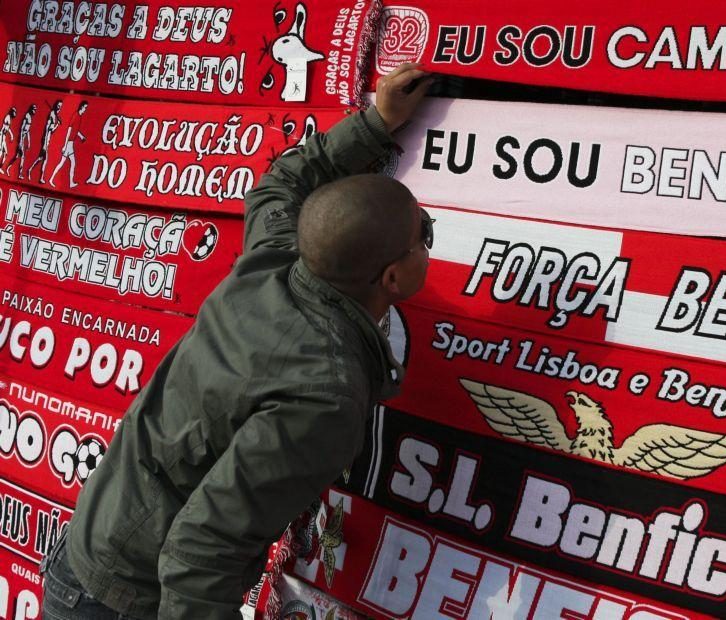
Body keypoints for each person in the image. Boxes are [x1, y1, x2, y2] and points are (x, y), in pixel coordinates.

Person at [40, 62, 434, 619]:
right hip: (124, 600)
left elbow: (281, 183)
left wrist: (377, 121)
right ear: (391, 278)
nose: (427, 245)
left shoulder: (275, 257)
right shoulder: (326, 392)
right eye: (425, 238)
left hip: (87, 557)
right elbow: (199, 557)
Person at [48, 101, 88, 187]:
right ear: (81, 107)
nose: (85, 109)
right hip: (69, 144)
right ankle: (52, 179)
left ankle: (70, 182)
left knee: (70, 163)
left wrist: (81, 137)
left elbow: (75, 130)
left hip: (71, 143)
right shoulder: (76, 115)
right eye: (85, 107)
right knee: (63, 163)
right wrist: (65, 145)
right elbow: (69, 130)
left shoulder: (79, 117)